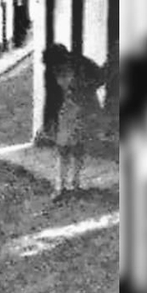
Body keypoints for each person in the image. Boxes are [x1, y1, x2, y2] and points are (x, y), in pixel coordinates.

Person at [52, 51, 99, 200]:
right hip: (68, 114)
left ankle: (73, 184)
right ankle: (62, 186)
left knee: (77, 148)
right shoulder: (62, 72)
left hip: (79, 113)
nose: (62, 80)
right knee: (64, 150)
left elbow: (97, 80)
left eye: (66, 76)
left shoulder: (82, 70)